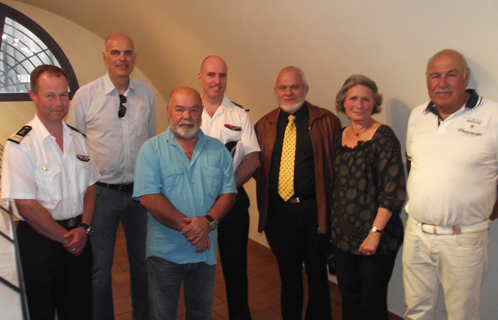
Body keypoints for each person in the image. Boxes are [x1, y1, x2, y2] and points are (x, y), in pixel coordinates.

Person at [403, 49, 498, 320]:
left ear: (466, 77)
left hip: (464, 238)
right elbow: (413, 164)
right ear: (427, 80)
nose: (441, 83)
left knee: (462, 315)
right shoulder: (416, 116)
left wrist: (482, 214)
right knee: (416, 311)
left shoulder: (493, 116)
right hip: (417, 234)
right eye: (435, 75)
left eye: (451, 74)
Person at [66, 33, 155, 319]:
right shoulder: (85, 96)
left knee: (143, 264)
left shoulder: (146, 95)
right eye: (115, 53)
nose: (122, 58)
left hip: (140, 193)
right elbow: (75, 147)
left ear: (134, 57)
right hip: (101, 194)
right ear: (105, 57)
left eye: (127, 53)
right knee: (100, 270)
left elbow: (150, 141)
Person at [1, 65, 100, 319]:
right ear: (33, 96)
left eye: (63, 95)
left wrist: (84, 228)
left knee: (79, 309)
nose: (59, 102)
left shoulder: (78, 139)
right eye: (50, 95)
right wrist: (66, 238)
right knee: (40, 311)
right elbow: (27, 206)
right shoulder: (20, 145)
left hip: (79, 236)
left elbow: (90, 188)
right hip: (40, 243)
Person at [133, 87, 236, 320]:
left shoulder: (218, 150)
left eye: (193, 110)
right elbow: (149, 198)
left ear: (201, 113)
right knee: (162, 315)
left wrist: (207, 223)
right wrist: (196, 231)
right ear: (169, 112)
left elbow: (228, 193)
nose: (186, 116)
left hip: (205, 255)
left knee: (200, 315)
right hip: (165, 254)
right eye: (180, 110)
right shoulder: (151, 150)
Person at [254, 66, 341, 320]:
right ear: (275, 91)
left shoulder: (326, 122)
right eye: (283, 87)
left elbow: (337, 170)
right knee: (288, 275)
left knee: (317, 276)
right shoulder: (265, 124)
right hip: (278, 215)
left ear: (305, 89)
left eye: (294, 87)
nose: (289, 92)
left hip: (314, 212)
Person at [330, 75, 406, 320]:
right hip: (343, 236)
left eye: (366, 99)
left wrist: (375, 232)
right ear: (344, 102)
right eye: (353, 98)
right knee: (349, 299)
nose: (359, 105)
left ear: (374, 104)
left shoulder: (383, 137)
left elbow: (393, 190)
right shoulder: (339, 137)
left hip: (376, 238)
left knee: (371, 303)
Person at [198, 55, 260, 320]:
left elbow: (253, 157)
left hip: (232, 203)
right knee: (197, 267)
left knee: (235, 269)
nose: (216, 81)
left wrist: (226, 189)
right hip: (195, 203)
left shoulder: (238, 114)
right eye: (211, 74)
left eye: (222, 75)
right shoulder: (188, 111)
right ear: (200, 77)